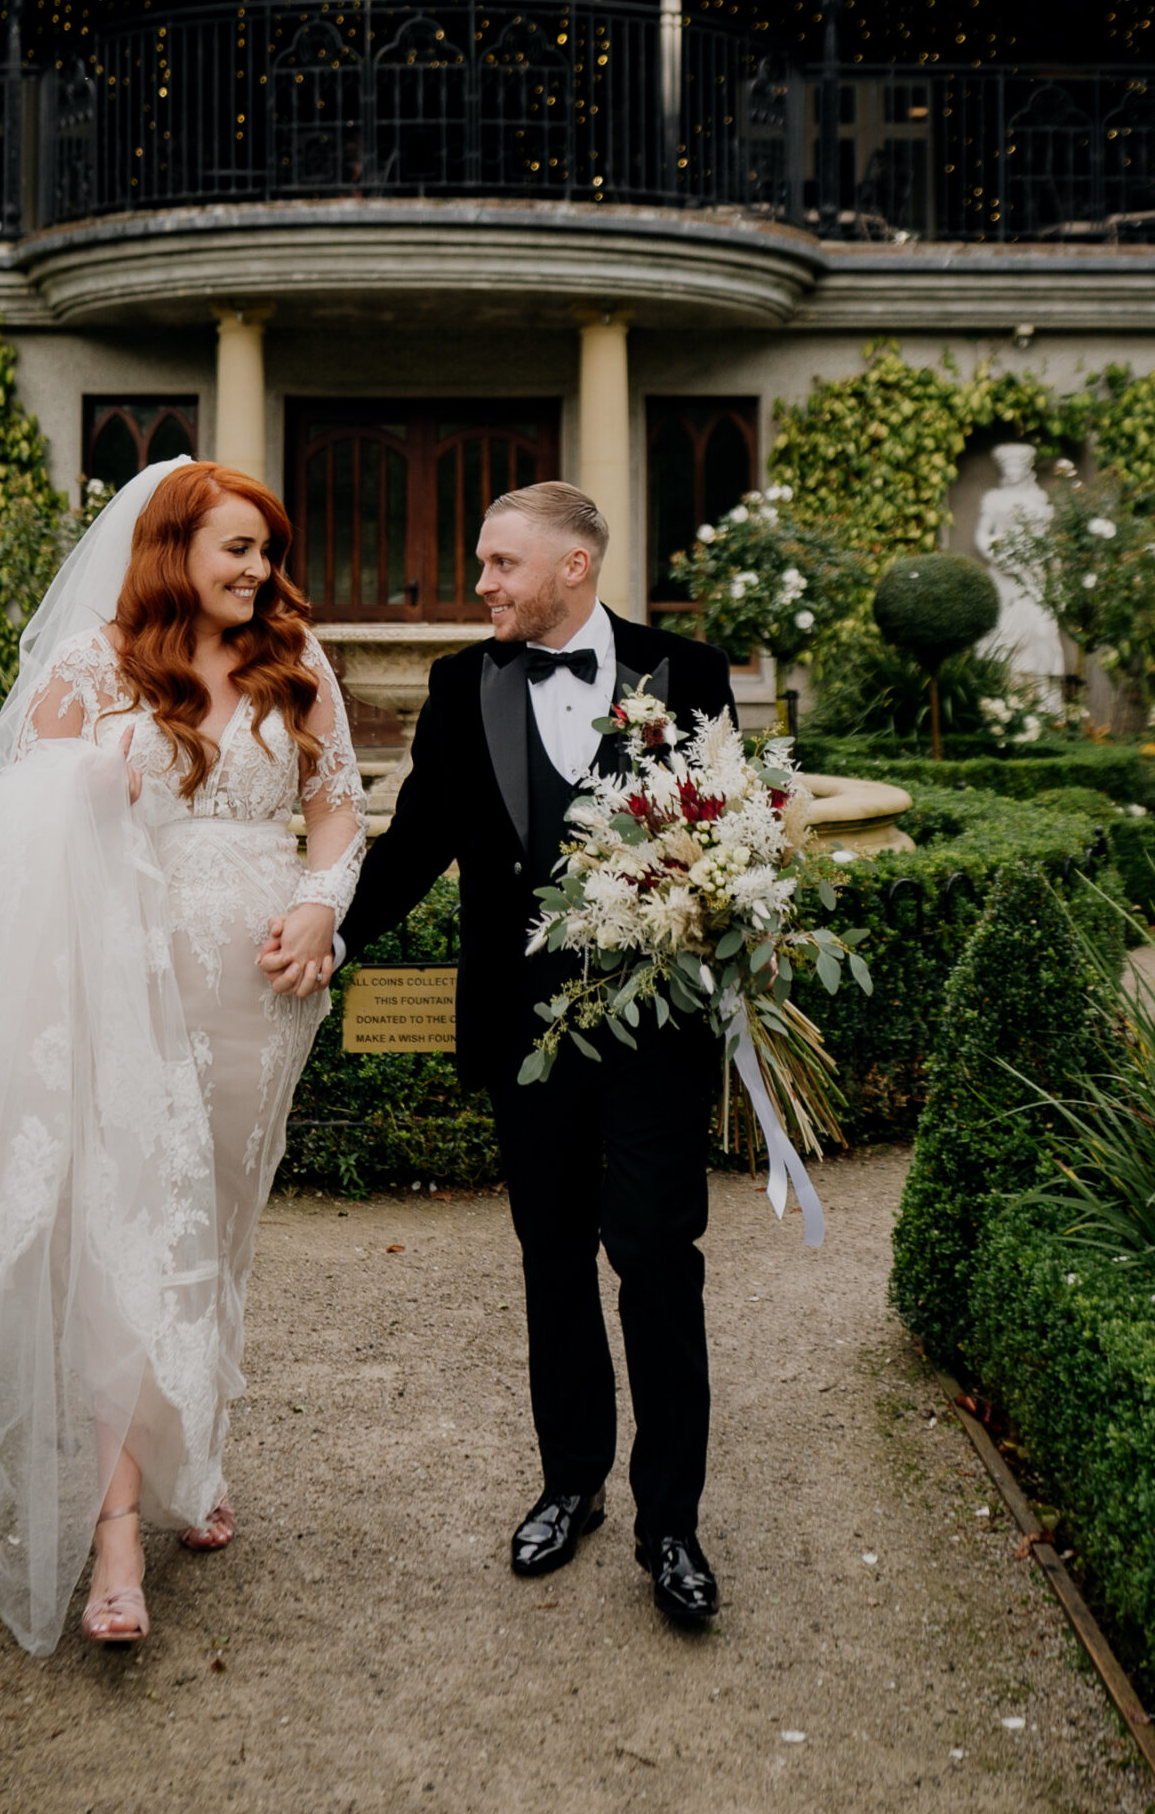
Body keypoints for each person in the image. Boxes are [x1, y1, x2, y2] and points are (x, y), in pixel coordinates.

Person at [0, 457, 364, 1654]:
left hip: (261, 987)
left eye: (267, 549)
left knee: (216, 1226)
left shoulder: (297, 664)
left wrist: (321, 905)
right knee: (124, 1237)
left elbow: (338, 807)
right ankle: (114, 1540)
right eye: (237, 549)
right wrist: (80, 790)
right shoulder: (93, 668)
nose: (259, 569)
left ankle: (192, 1447)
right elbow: (13, 827)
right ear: (173, 549)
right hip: (123, 980)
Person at [330, 481, 737, 1631]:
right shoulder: (464, 687)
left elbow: (723, 827)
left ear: (574, 565)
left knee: (660, 1261)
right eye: (480, 563)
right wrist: (331, 934)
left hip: (654, 1034)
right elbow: (413, 843)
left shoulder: (688, 672)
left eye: (501, 563)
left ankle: (673, 1523)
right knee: (551, 1260)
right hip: (525, 1039)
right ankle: (573, 1486)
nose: (482, 585)